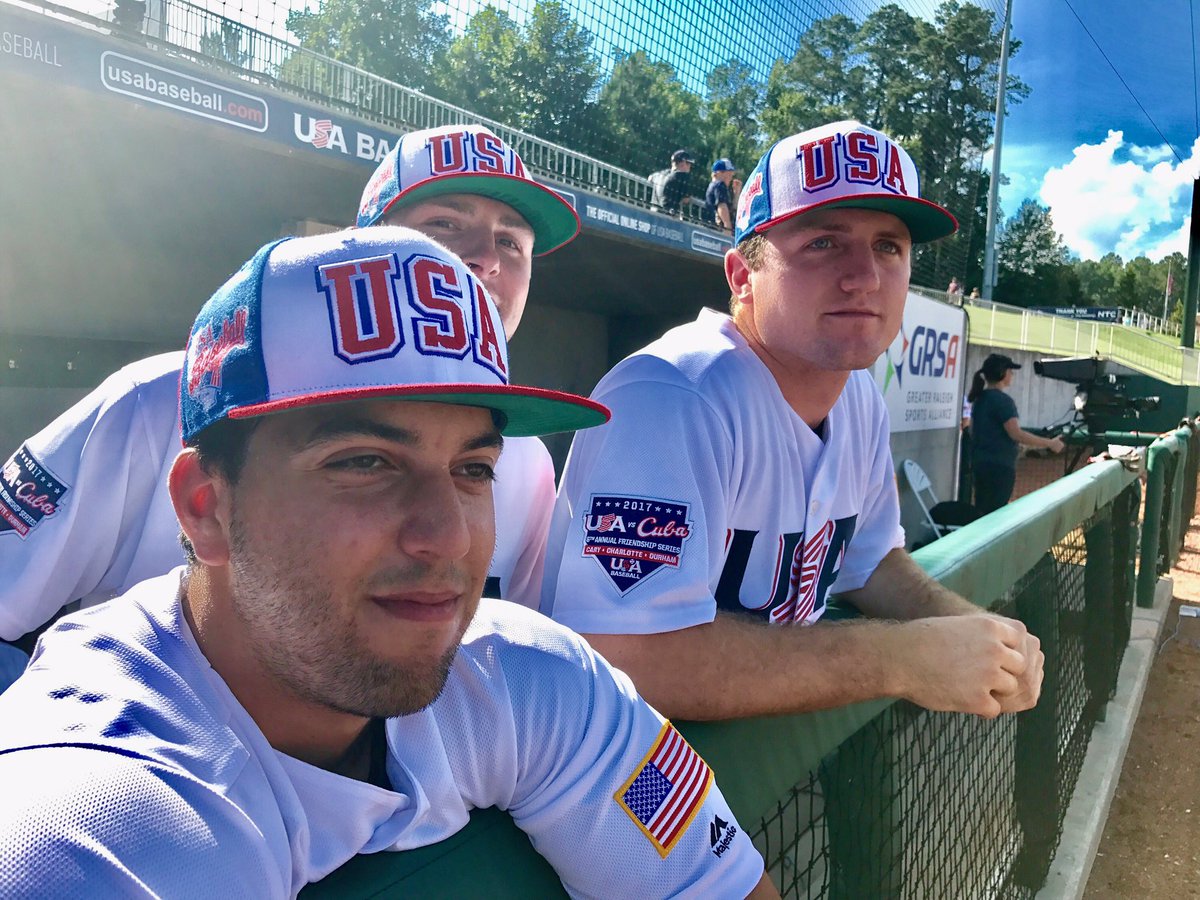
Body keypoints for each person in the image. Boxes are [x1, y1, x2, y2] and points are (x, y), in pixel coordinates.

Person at [0, 228, 773, 898]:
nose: (448, 536)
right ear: (207, 508)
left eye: (473, 469)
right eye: (365, 462)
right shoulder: (89, 823)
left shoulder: (521, 676)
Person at [0, 124, 577, 690]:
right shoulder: (159, 398)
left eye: (511, 241)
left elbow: (502, 667)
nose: (485, 260)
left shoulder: (527, 457)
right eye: (445, 225)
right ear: (363, 243)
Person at [541, 121, 1044, 723]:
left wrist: (966, 623)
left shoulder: (859, 399)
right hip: (604, 796)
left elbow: (870, 562)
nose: (865, 276)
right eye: (823, 243)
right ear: (741, 277)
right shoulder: (671, 393)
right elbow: (630, 655)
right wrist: (902, 658)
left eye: (889, 246)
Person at [968, 353, 1065, 514]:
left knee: (983, 512)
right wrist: (1050, 443)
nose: (1012, 375)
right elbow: (1016, 433)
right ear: (1002, 373)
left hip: (981, 464)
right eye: (1010, 371)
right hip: (999, 468)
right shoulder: (1003, 401)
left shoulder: (981, 399)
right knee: (994, 515)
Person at [648, 149, 694, 216]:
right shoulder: (683, 176)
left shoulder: (660, 174)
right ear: (683, 163)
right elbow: (686, 200)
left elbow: (650, 178)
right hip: (667, 216)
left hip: (653, 213)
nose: (690, 167)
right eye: (689, 163)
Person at [704, 158, 737, 232]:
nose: (731, 176)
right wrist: (728, 227)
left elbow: (733, 208)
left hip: (713, 228)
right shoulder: (719, 185)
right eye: (729, 173)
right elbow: (721, 206)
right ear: (719, 173)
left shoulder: (714, 185)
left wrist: (736, 192)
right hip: (719, 230)